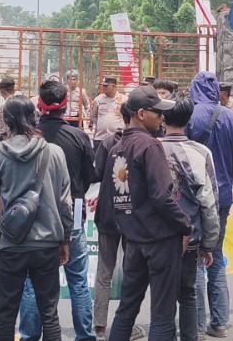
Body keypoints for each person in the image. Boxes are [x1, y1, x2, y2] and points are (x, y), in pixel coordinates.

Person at [0, 95, 73, 341]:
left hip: (12, 243)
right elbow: (65, 203)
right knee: (49, 313)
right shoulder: (55, 152)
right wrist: (65, 239)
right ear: (34, 117)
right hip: (47, 242)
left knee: (7, 314)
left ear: (6, 120)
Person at [106, 86, 191, 341]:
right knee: (163, 314)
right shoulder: (150, 146)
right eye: (157, 112)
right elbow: (163, 196)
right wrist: (185, 225)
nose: (162, 118)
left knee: (126, 309)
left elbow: (113, 198)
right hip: (159, 239)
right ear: (142, 114)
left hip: (133, 239)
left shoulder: (117, 148)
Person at [18, 80, 95, 341]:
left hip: (36, 218)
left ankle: (30, 336)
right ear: (65, 106)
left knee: (32, 283)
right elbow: (90, 176)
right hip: (72, 216)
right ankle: (85, 336)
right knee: (78, 282)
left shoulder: (28, 138)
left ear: (39, 105)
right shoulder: (78, 136)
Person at [186, 72, 233, 338]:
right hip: (223, 198)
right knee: (216, 256)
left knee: (196, 258)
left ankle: (197, 324)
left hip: (194, 197)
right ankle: (220, 322)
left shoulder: (189, 115)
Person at [159, 95, 220, 341]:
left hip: (157, 238)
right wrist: (209, 243)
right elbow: (209, 202)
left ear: (163, 119)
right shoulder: (201, 152)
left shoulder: (153, 149)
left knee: (161, 297)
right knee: (188, 294)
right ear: (189, 120)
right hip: (191, 237)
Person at [91, 103, 131, 340]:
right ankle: (125, 325)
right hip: (132, 216)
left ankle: (100, 327)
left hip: (107, 213)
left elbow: (96, 173)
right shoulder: (144, 143)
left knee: (104, 271)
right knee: (131, 271)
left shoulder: (108, 142)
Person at [90, 77, 127, 151]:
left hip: (117, 138)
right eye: (103, 85)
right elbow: (93, 116)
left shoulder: (124, 99)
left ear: (113, 86)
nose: (103, 87)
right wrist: (101, 124)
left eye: (106, 86)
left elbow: (127, 117)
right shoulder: (98, 99)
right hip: (100, 137)